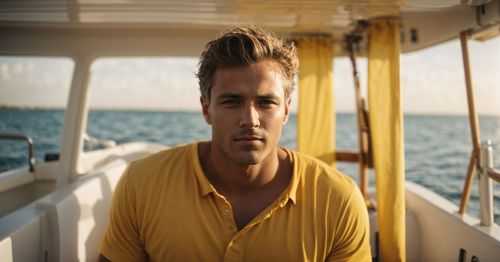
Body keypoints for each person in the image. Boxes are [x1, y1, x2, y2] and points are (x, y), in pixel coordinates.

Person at [99, 25, 371, 261]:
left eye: (266, 102)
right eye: (232, 101)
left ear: (286, 110)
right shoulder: (143, 183)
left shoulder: (338, 198)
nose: (250, 119)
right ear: (206, 109)